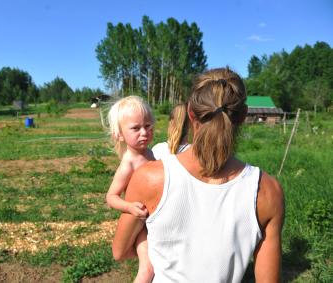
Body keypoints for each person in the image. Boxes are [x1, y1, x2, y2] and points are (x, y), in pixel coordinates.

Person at [112, 68, 285, 282]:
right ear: (242, 116)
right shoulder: (268, 191)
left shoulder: (150, 177)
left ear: (190, 114)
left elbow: (119, 251)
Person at [106, 95, 155, 283]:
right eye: (136, 128)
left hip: (152, 219)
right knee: (147, 270)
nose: (144, 132)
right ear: (119, 134)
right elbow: (111, 196)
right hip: (140, 223)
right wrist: (129, 208)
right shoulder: (129, 163)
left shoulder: (151, 153)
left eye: (148, 126)